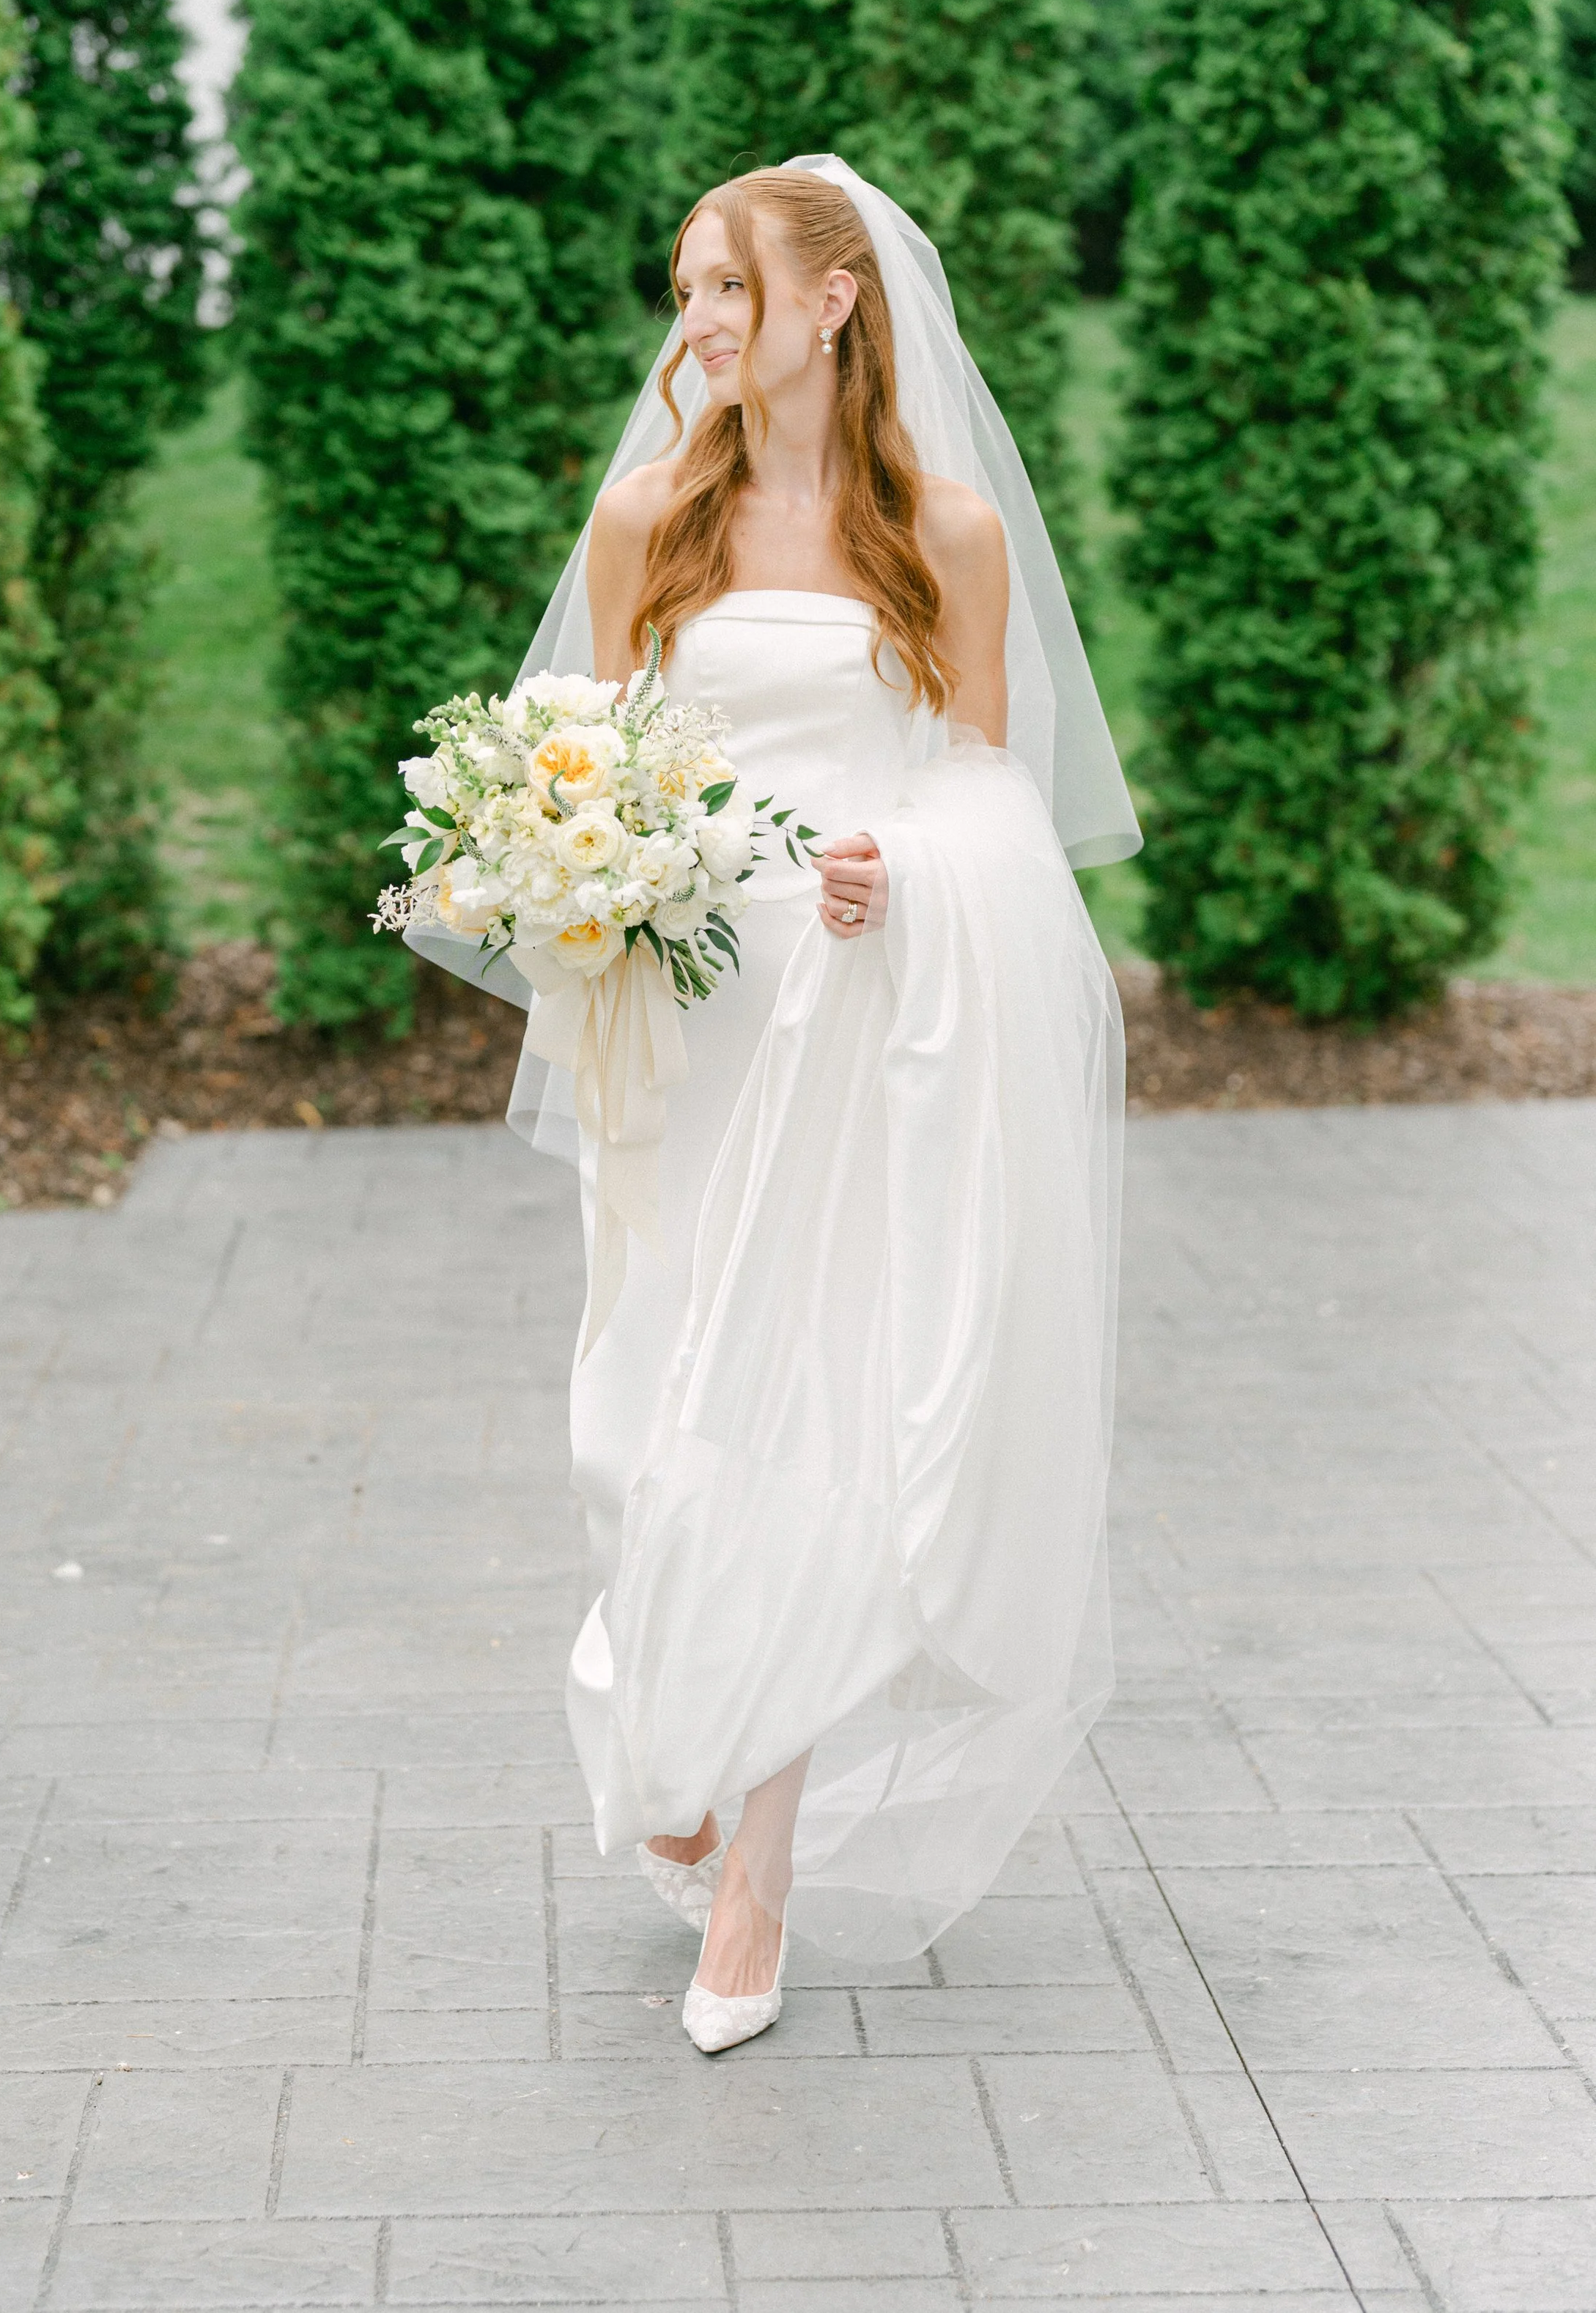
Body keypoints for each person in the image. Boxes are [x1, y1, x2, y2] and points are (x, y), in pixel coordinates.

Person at [414, 159, 1135, 2053]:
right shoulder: (653, 515)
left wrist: (896, 856)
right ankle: (680, 1729)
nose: (698, 320)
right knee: (639, 1427)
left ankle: (755, 1874)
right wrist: (555, 856)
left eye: (727, 284)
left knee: (806, 1423)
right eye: (684, 286)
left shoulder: (948, 537)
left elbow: (994, 800)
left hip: (853, 1031)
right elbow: (595, 753)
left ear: (832, 302)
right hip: (690, 1033)